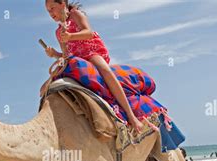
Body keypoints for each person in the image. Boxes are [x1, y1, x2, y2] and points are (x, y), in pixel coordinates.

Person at [44, 0, 152, 134]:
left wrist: (70, 36)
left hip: (90, 51)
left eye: (52, 8)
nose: (50, 13)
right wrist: (55, 54)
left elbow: (88, 32)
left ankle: (131, 116)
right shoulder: (58, 31)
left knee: (106, 71)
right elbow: (66, 55)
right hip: (76, 59)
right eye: (48, 11)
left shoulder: (75, 15)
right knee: (49, 84)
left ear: (62, 4)